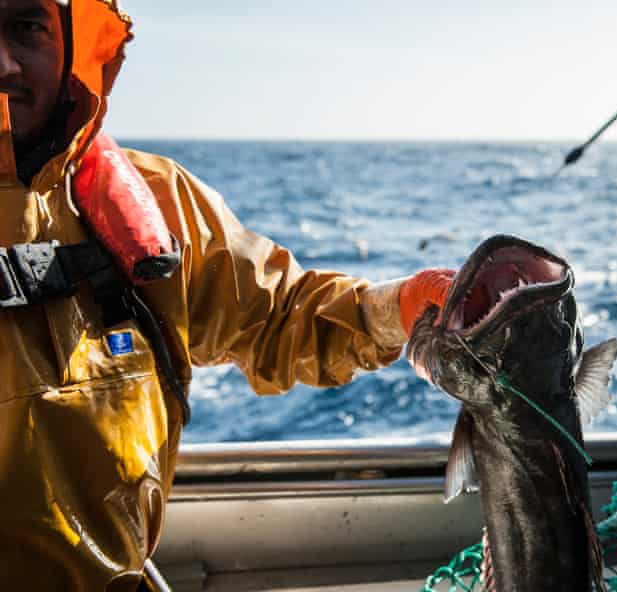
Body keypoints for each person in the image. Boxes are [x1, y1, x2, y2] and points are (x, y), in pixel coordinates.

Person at [0, 1, 454, 589]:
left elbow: (279, 316)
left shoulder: (159, 201)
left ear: (73, 41)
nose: (4, 63)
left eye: (27, 27)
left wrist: (405, 306)